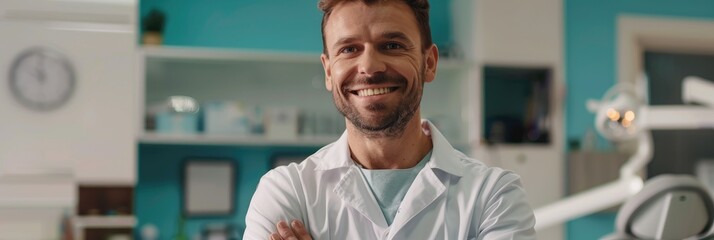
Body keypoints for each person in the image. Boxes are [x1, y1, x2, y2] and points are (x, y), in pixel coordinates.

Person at [243, 0, 536, 239]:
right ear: (329, 71)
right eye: (349, 49)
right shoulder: (287, 192)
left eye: (392, 45)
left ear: (429, 63)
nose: (369, 67)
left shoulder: (493, 195)